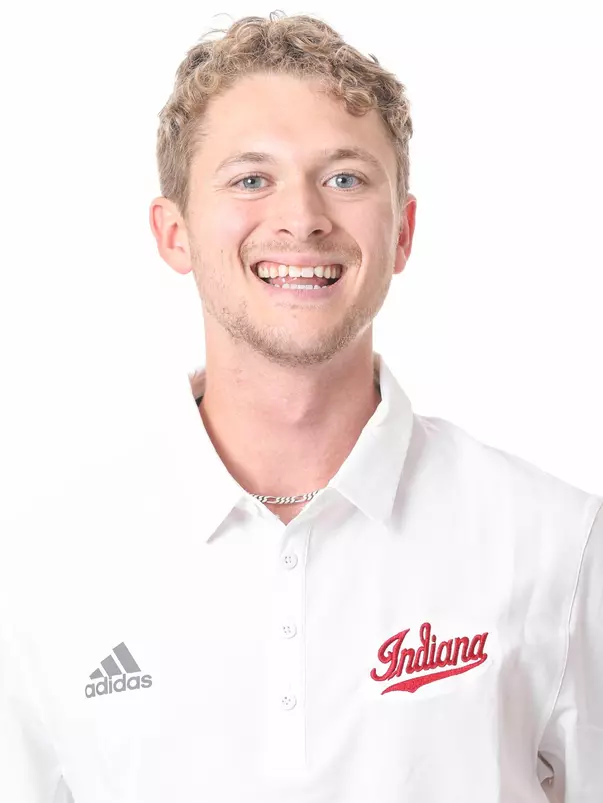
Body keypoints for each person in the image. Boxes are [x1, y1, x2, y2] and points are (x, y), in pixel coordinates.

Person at [0, 11, 601, 802]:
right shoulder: (42, 569)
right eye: (251, 179)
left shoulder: (558, 542)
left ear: (402, 232)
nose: (303, 217)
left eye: (344, 178)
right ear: (174, 233)